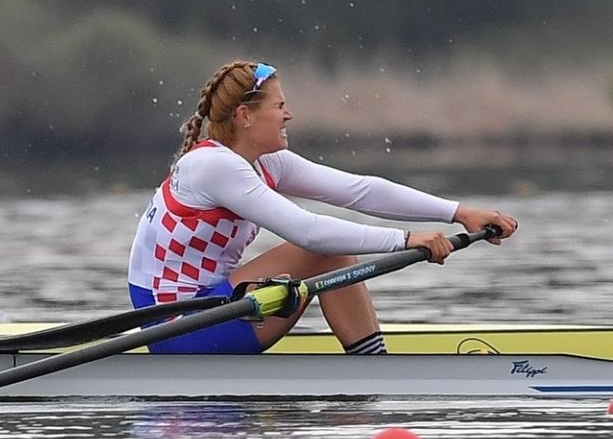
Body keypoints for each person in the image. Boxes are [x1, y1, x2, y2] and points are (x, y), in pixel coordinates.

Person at [127, 60, 518, 355]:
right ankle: (373, 366)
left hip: (212, 305)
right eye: (279, 106)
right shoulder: (213, 166)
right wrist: (407, 239)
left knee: (328, 251)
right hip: (176, 327)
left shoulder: (264, 161)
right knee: (323, 249)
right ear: (245, 116)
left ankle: (370, 361)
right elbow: (307, 232)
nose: (289, 114)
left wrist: (459, 212)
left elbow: (359, 191)